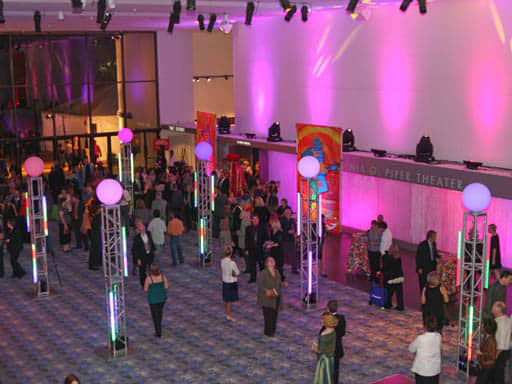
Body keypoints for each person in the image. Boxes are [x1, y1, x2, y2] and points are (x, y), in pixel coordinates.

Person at [257, 256, 285, 337]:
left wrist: (283, 284)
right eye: (270, 261)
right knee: (268, 316)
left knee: (274, 315)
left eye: (273, 260)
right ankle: (268, 332)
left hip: (276, 296)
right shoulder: (263, 273)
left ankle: (272, 331)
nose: (272, 261)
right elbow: (260, 285)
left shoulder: (277, 272)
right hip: (267, 298)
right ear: (266, 263)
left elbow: (279, 283)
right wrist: (266, 290)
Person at [408, 316, 442, 384]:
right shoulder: (439, 336)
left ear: (425, 326)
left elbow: (411, 349)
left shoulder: (421, 338)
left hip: (422, 371)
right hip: (435, 370)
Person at [319, 300, 346, 384]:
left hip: (328, 349)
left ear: (328, 308)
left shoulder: (327, 319)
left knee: (327, 369)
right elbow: (342, 333)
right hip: (337, 347)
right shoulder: (342, 318)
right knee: (336, 368)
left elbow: (321, 335)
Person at [313, 312, 338, 384]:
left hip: (324, 361)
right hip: (331, 358)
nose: (321, 321)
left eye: (322, 319)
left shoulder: (324, 334)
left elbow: (320, 350)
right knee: (329, 377)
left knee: (323, 379)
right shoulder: (333, 330)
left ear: (326, 321)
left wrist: (314, 345)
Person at [144, 263, 168, 338]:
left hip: (153, 299)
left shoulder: (149, 278)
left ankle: (158, 332)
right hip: (161, 298)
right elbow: (166, 286)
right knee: (160, 312)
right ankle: (159, 327)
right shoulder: (163, 277)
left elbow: (145, 289)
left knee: (155, 315)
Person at [492, 301, 511, 384]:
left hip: (501, 351)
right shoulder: (505, 320)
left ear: (498, 311)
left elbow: (502, 341)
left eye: (493, 307)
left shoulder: (501, 323)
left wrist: (497, 353)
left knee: (498, 373)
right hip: (504, 350)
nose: (491, 309)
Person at [132, 219, 155, 287]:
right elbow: (135, 250)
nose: (140, 227)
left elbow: (151, 242)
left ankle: (152, 282)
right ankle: (144, 284)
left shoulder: (148, 233)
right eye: (138, 226)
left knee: (151, 269)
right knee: (142, 271)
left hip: (150, 254)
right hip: (142, 256)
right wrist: (138, 259)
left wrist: (153, 250)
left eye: (141, 225)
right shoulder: (137, 238)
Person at [245, 215, 268, 283]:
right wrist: (246, 249)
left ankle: (263, 279)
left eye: (256, 219)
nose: (255, 220)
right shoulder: (248, 228)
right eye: (253, 219)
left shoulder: (263, 228)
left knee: (262, 266)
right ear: (251, 220)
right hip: (251, 249)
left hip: (260, 249)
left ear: (258, 220)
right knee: (252, 265)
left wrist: (265, 246)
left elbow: (266, 238)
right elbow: (246, 240)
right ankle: (253, 278)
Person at [475, 318, 498, 384]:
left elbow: (493, 355)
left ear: (486, 328)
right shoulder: (487, 337)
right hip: (485, 365)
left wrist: (481, 353)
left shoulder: (491, 340)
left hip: (488, 367)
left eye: (483, 325)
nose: (481, 326)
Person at [382, 244, 404, 311]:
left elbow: (386, 267)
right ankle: (400, 306)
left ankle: (388, 304)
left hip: (392, 277)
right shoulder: (398, 257)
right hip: (399, 276)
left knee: (389, 292)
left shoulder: (389, 257)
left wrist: (381, 271)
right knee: (399, 293)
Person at [221, 247, 240, 321]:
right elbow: (237, 272)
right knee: (229, 300)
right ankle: (228, 315)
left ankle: (227, 313)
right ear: (231, 253)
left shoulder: (222, 261)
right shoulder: (232, 263)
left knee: (226, 299)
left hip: (225, 282)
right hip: (231, 283)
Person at [280, 208, 297, 274]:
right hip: (284, 239)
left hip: (291, 239)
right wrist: (287, 232)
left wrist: (294, 231)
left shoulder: (292, 220)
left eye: (289, 212)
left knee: (293, 254)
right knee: (283, 254)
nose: (288, 213)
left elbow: (295, 228)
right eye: (286, 212)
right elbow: (280, 230)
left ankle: (294, 269)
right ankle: (281, 267)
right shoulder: (282, 220)